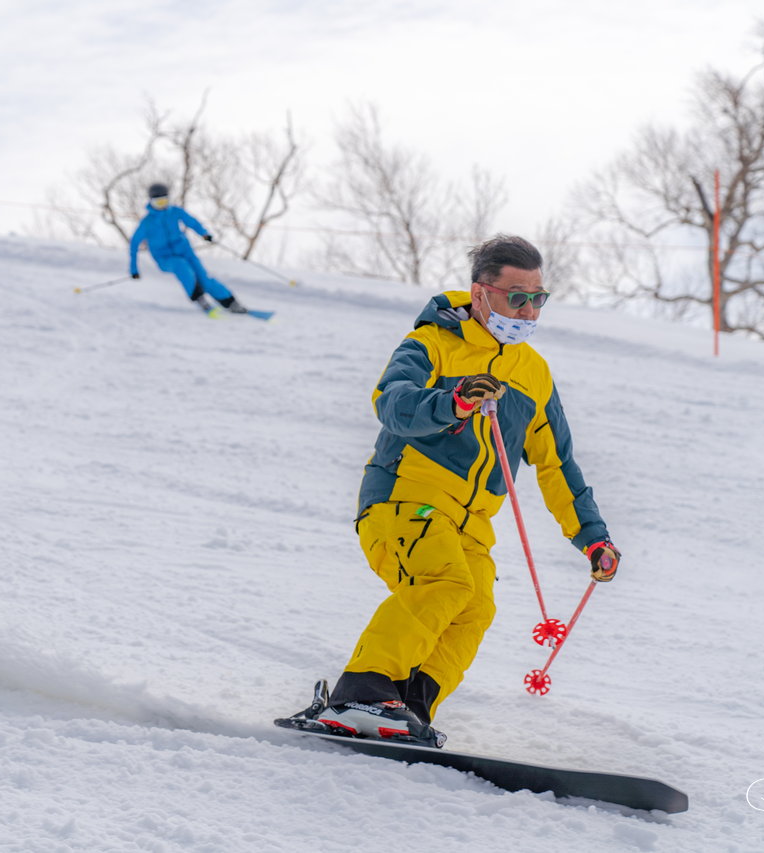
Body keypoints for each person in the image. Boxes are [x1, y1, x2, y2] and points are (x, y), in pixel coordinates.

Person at [313, 235, 620, 748]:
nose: (528, 310)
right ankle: (360, 691)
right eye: (515, 296)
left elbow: (557, 465)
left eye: (538, 297)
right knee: (446, 582)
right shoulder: (433, 344)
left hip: (469, 521)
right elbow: (393, 402)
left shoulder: (534, 374)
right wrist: (453, 401)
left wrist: (592, 536)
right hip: (404, 498)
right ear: (480, 295)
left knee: (476, 606)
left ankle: (408, 703)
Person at [128, 183, 248, 317]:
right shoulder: (147, 223)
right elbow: (134, 245)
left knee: (204, 278)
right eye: (158, 202)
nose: (162, 205)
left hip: (186, 252)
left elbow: (191, 222)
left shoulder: (175, 212)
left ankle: (230, 302)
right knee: (182, 267)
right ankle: (200, 299)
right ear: (151, 201)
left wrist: (204, 233)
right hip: (165, 258)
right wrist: (134, 270)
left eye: (164, 201)